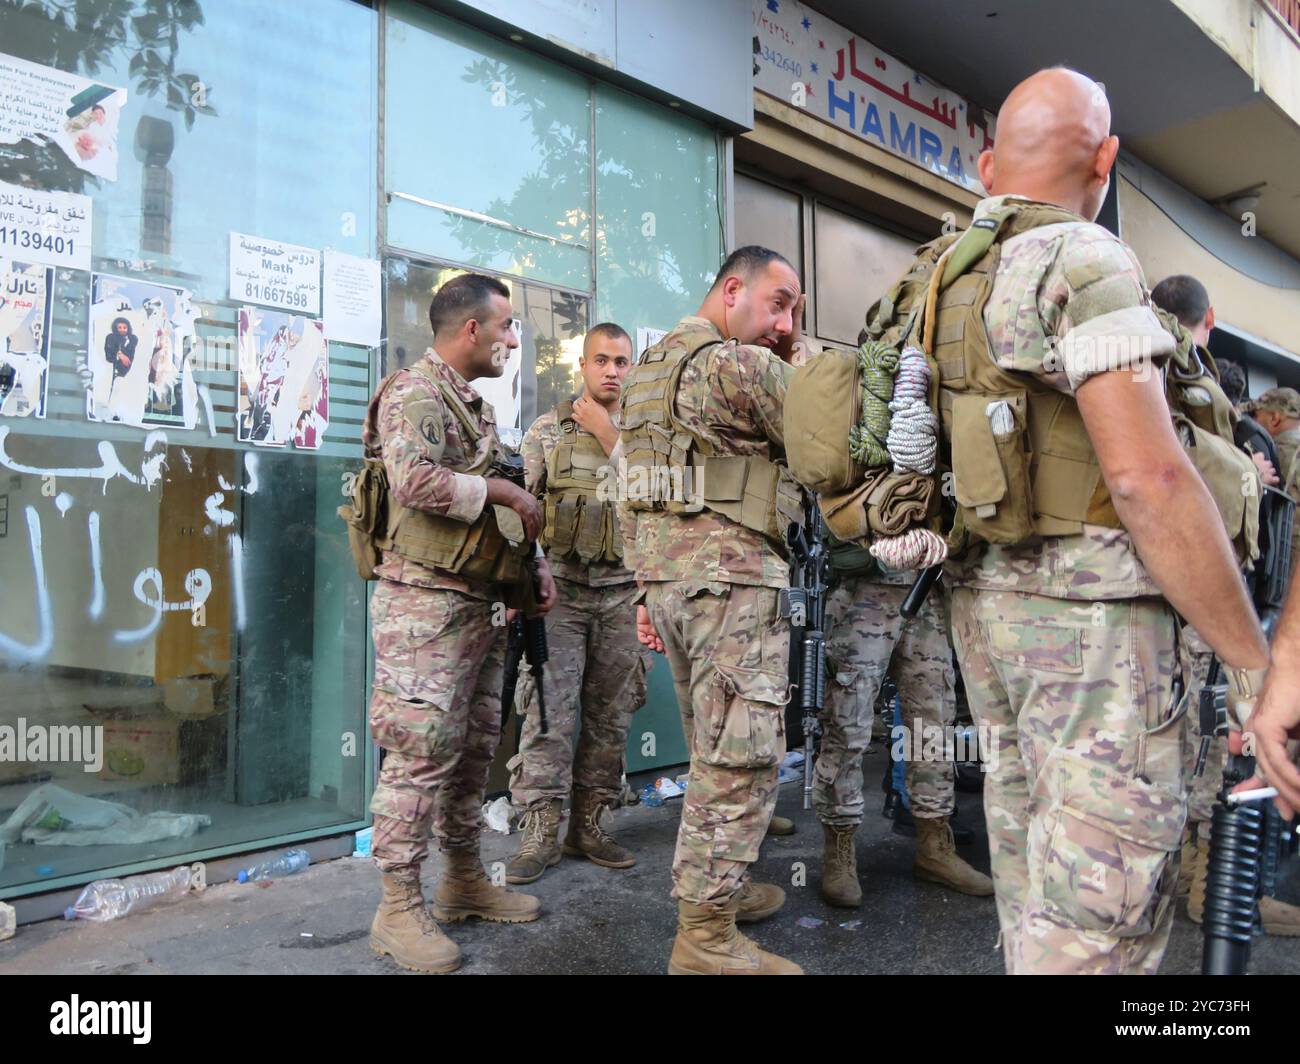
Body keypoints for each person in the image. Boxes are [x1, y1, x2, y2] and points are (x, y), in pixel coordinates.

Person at [896, 68, 1270, 974]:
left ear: (988, 165)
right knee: (1100, 915)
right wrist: (1252, 659)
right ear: (1106, 159)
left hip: (987, 607)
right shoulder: (1084, 257)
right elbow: (1146, 477)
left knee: (1034, 876)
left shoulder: (937, 274)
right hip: (1094, 622)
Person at [620, 245, 809, 975]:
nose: (785, 322)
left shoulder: (646, 374)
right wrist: (799, 354)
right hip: (731, 582)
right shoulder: (741, 366)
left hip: (672, 584)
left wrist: (643, 591)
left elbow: (627, 484)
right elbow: (834, 440)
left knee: (711, 751)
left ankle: (718, 895)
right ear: (732, 290)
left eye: (792, 310)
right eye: (779, 302)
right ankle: (704, 939)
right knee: (743, 758)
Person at [364, 272, 557, 974]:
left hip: (476, 602)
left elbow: (499, 506)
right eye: (506, 326)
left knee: (474, 748)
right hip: (423, 606)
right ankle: (397, 907)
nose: (512, 339)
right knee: (418, 753)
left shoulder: (471, 406)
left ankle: (463, 879)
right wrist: (500, 488)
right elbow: (414, 481)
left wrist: (530, 568)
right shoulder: (413, 393)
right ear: (470, 329)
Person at [505, 323, 651, 883]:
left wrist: (611, 436)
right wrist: (521, 582)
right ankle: (540, 829)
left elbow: (659, 496)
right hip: (560, 595)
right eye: (601, 360)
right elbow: (522, 508)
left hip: (622, 594)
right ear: (583, 367)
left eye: (621, 361)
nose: (612, 370)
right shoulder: (547, 430)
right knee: (548, 712)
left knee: (611, 717)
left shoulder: (643, 433)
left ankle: (589, 826)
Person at [815, 545, 993, 906]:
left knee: (933, 726)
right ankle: (839, 849)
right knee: (846, 726)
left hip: (927, 587)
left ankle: (934, 846)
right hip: (861, 589)